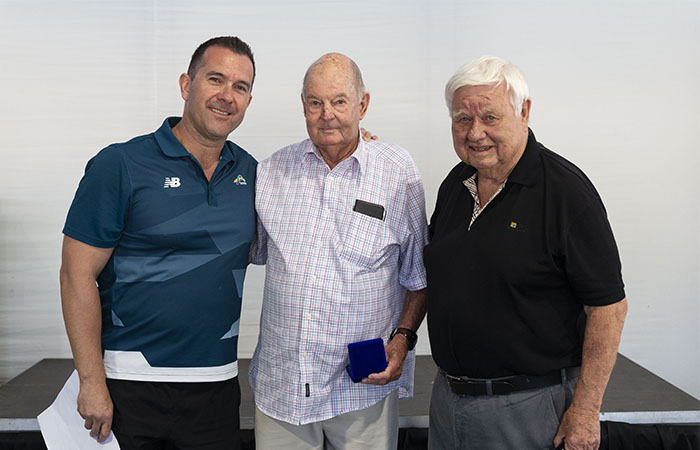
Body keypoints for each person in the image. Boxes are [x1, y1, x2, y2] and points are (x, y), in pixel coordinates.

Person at [59, 36, 256, 450]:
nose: (227, 95)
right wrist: (91, 381)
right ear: (186, 85)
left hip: (217, 388)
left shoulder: (254, 173)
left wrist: (356, 147)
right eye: (215, 79)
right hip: (129, 385)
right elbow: (77, 274)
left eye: (240, 87)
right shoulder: (120, 164)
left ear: (248, 100)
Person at [424, 55, 628, 450]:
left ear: (524, 112)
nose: (476, 133)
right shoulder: (456, 184)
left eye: (490, 117)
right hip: (447, 401)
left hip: (529, 408)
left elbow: (609, 308)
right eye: (463, 119)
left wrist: (586, 411)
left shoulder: (566, 193)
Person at [248, 53, 428, 450]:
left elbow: (419, 276)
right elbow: (242, 250)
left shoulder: (397, 172)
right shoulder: (271, 172)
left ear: (363, 105)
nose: (327, 114)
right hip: (282, 387)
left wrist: (402, 340)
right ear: (303, 106)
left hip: (361, 387)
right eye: (315, 102)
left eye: (339, 101)